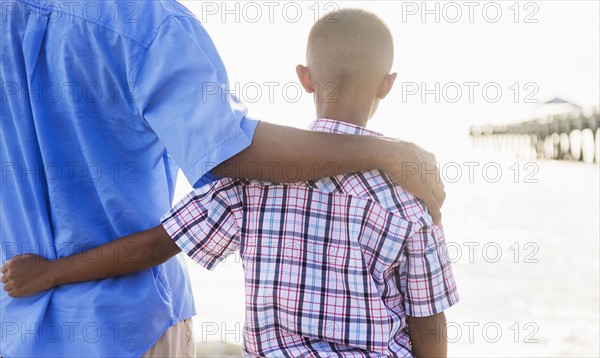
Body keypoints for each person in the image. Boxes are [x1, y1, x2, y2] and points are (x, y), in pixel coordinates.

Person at [2, 8, 457, 357]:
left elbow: (155, 245)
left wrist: (49, 272)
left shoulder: (250, 184)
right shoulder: (410, 196)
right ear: (387, 85)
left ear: (304, 78)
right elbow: (429, 323)